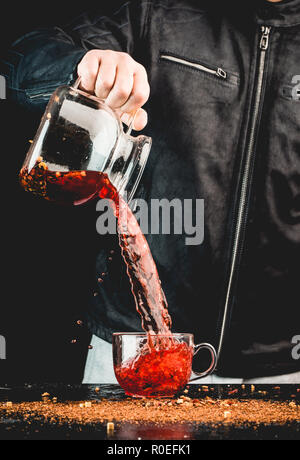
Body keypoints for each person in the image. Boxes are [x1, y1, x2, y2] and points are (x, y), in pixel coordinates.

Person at [2, 0, 300, 383]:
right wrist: (83, 65)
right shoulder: (156, 11)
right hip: (130, 350)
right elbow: (22, 59)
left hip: (283, 367)